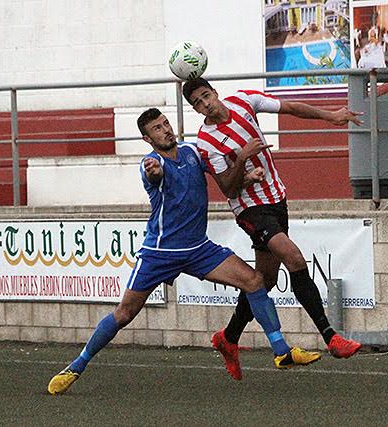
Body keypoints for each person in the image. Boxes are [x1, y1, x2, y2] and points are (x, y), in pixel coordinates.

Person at [47, 108, 321, 395]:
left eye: (166, 124)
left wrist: (247, 177)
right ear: (147, 137)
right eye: (157, 128)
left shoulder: (192, 152)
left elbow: (225, 179)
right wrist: (154, 172)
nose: (165, 130)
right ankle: (77, 365)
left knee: (254, 281)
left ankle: (281, 351)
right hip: (160, 252)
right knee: (125, 313)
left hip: (198, 249)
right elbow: (153, 174)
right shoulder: (152, 163)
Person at [182, 78, 364, 381]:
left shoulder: (244, 101)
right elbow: (227, 188)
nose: (205, 105)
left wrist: (329, 115)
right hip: (250, 210)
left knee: (262, 281)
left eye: (205, 96)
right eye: (198, 103)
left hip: (277, 199)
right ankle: (332, 337)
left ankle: (228, 338)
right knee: (294, 258)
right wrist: (242, 160)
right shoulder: (207, 141)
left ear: (215, 92)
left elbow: (290, 107)